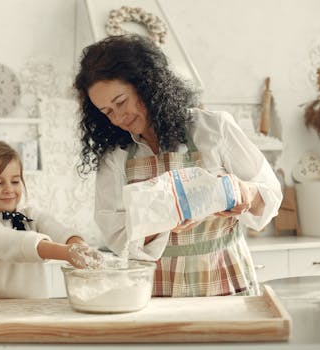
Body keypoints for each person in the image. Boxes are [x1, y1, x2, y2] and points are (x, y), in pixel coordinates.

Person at [73, 34, 283, 297]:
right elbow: (116, 236)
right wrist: (161, 223)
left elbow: (271, 194)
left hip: (224, 278)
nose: (118, 118)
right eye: (107, 112)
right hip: (157, 287)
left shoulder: (213, 129)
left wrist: (247, 194)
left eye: (120, 102)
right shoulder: (116, 156)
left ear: (147, 84)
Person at [0, 141, 103, 300]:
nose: (9, 189)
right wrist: (66, 253)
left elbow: (57, 230)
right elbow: (13, 243)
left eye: (15, 181)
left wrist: (79, 246)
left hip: (32, 311)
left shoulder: (30, 215)